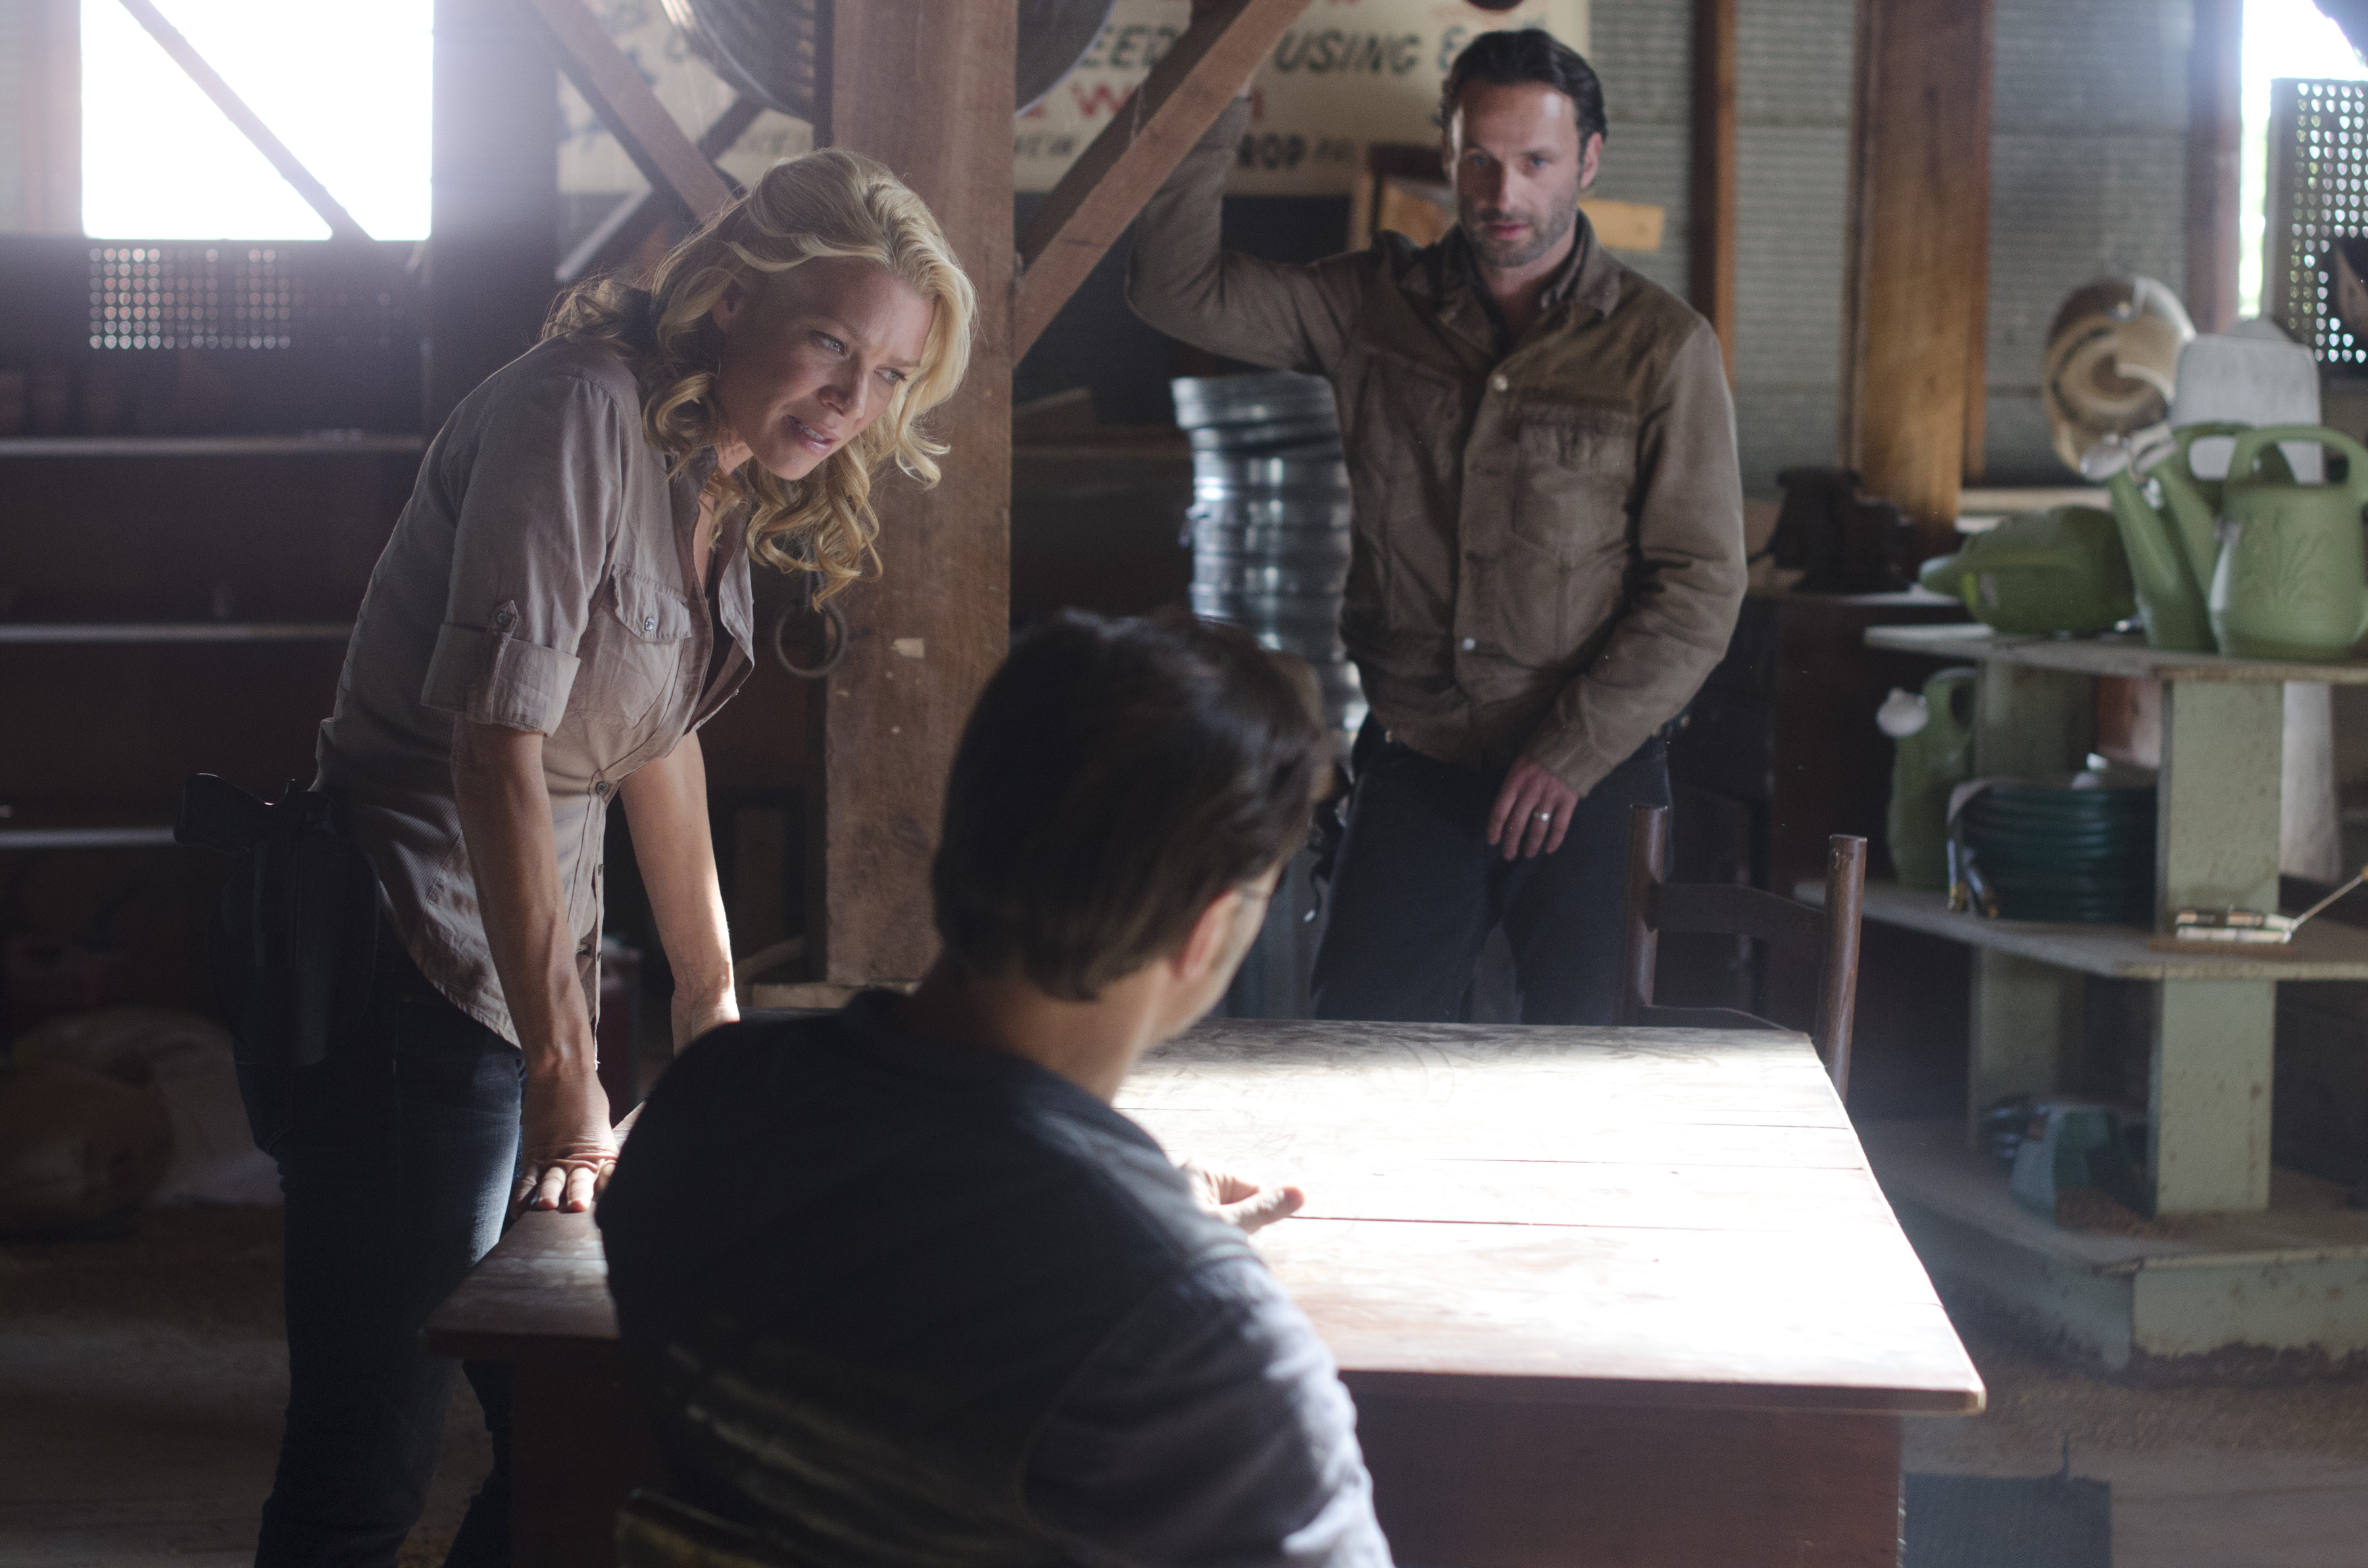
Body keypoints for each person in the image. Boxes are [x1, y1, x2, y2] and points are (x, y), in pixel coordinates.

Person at [243, 151, 977, 1567]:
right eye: (832, 343)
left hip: (521, 982)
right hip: (406, 965)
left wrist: (712, 1008)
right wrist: (565, 1074)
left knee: (579, 1427)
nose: (853, 400)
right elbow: (494, 750)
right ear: (732, 298)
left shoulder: (712, 457)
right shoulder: (577, 411)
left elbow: (657, 737)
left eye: (889, 375)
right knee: (368, 1455)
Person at [601, 612, 1394, 1567]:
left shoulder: (701, 1118)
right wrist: (1156, 1263)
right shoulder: (1202, 1340)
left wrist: (1135, 1233)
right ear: (1209, 928)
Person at [1128, 26, 1746, 1025]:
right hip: (1419, 763)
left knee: (1588, 1069)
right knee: (1362, 1051)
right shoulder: (1370, 305)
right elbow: (1172, 288)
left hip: (1592, 774)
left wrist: (1573, 749)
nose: (1505, 193)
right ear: (1448, 154)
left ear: (1588, 161)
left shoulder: (1662, 349)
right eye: (1480, 160)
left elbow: (1702, 585)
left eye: (1536, 162)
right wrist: (1218, 83)